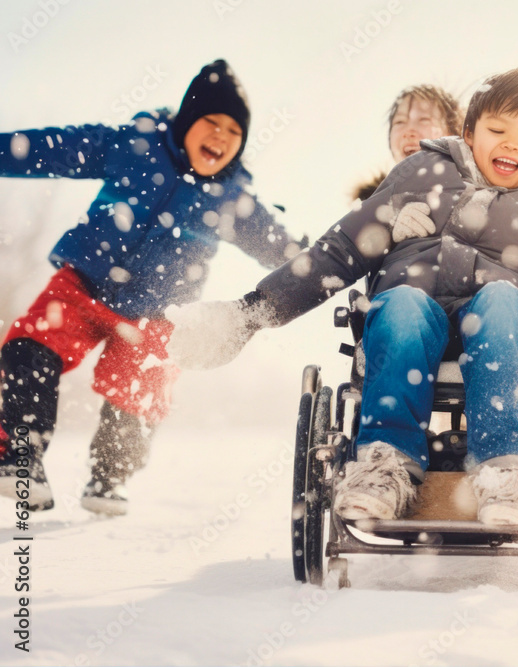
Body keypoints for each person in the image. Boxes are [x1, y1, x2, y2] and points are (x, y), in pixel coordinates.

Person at [166, 67, 518, 527]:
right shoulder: (420, 174)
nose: (512, 144)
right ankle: (385, 462)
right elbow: (338, 250)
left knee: (502, 301)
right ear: (470, 131)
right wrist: (251, 313)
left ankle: (505, 470)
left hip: (506, 328)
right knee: (401, 305)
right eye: (498, 130)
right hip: (415, 312)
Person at [0, 59, 305, 515]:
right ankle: (20, 458)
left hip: (158, 314)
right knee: (30, 349)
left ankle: (110, 477)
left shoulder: (232, 198)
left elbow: (283, 248)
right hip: (85, 284)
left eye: (234, 131)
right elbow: (56, 146)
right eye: (211, 122)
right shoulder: (134, 146)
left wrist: (321, 259)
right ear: (186, 121)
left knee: (141, 392)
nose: (221, 137)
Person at [352, 84, 463, 202]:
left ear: (452, 134)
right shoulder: (373, 206)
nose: (409, 131)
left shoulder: (469, 196)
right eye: (400, 122)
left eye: (424, 119)